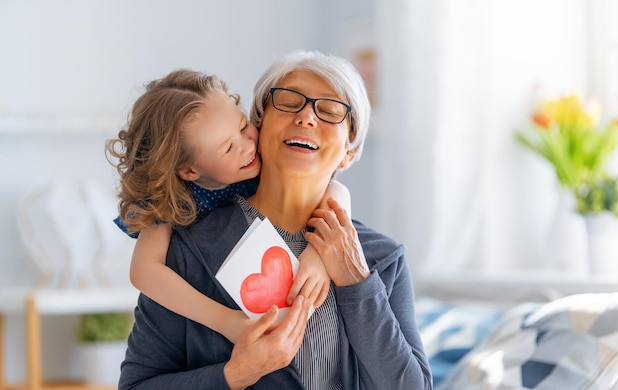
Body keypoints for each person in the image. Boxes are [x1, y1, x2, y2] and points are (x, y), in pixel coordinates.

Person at [119, 51, 433, 389]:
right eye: (288, 101)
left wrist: (355, 280)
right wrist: (234, 375)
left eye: (330, 110)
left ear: (350, 151)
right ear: (259, 121)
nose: (307, 117)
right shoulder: (187, 251)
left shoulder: (381, 261)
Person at [105, 69, 350, 343]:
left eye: (244, 126)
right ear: (189, 171)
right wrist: (224, 321)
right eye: (228, 148)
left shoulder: (257, 163)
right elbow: (143, 272)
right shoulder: (168, 199)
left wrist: (320, 255)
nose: (247, 145)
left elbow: (337, 190)